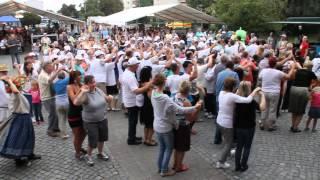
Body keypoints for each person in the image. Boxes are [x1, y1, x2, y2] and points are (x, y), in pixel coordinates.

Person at [151, 74, 201, 177]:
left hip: (156, 124)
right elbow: (180, 109)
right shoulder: (164, 97)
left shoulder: (153, 93)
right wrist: (195, 107)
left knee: (162, 148)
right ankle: (164, 171)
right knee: (168, 149)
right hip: (165, 127)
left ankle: (160, 167)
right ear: (163, 83)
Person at [216, 77, 260, 169]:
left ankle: (228, 153)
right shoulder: (232, 96)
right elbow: (248, 100)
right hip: (226, 123)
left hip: (219, 121)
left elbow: (233, 96)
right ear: (233, 87)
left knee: (227, 140)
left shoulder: (221, 93)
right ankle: (221, 162)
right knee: (229, 143)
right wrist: (255, 91)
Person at [0, 75, 41, 166]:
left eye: (7, 86)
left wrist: (14, 81)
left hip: (25, 118)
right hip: (19, 119)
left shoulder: (19, 93)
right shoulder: (15, 94)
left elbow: (20, 87)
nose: (6, 88)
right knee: (19, 138)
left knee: (29, 137)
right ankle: (18, 159)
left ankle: (29, 154)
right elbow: (15, 90)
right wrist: (10, 81)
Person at [74, 75, 112, 166]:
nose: (94, 84)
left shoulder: (98, 90)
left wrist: (109, 98)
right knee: (93, 140)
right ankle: (89, 155)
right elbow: (76, 102)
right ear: (86, 84)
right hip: (90, 122)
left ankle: (100, 153)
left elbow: (106, 99)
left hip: (102, 118)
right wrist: (82, 92)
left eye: (94, 82)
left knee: (102, 138)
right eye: (91, 83)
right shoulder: (85, 94)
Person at [234, 81, 266, 172]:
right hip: (249, 127)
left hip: (239, 126)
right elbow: (262, 108)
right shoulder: (251, 101)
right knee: (247, 147)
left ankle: (237, 166)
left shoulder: (236, 98)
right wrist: (262, 95)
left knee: (239, 146)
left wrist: (240, 89)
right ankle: (244, 165)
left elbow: (237, 93)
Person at [120, 57, 152, 145]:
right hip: (132, 102)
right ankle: (131, 139)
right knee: (132, 121)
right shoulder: (129, 76)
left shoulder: (127, 72)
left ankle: (132, 136)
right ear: (133, 66)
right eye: (137, 65)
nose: (138, 67)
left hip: (129, 100)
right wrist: (148, 86)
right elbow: (136, 91)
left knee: (133, 121)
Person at [173, 80, 202, 173]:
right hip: (183, 126)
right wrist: (198, 108)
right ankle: (179, 167)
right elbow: (191, 119)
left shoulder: (175, 96)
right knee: (182, 148)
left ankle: (175, 164)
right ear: (188, 91)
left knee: (177, 147)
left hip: (175, 124)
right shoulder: (187, 102)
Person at [258, 57, 294, 131]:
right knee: (272, 109)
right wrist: (292, 68)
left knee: (264, 108)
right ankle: (270, 125)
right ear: (276, 64)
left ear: (269, 63)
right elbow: (288, 77)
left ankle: (262, 123)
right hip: (274, 92)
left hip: (264, 91)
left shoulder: (264, 71)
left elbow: (260, 78)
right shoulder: (278, 72)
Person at [38, 62, 65, 137]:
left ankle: (55, 128)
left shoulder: (46, 73)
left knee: (56, 113)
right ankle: (50, 130)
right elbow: (49, 80)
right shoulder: (42, 75)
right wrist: (57, 71)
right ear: (46, 68)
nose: (52, 69)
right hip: (47, 98)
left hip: (51, 96)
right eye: (50, 67)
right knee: (52, 114)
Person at [289, 61, 317, 132]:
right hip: (303, 90)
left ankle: (292, 126)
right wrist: (311, 86)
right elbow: (316, 80)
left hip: (294, 89)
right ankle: (295, 127)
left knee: (294, 109)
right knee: (300, 110)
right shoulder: (311, 73)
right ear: (310, 67)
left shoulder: (297, 71)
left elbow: (292, 78)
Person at [67, 71, 87, 159]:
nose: (81, 77)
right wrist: (80, 90)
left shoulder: (81, 85)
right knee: (77, 134)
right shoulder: (69, 87)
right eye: (79, 76)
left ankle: (79, 146)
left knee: (84, 132)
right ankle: (77, 152)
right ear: (74, 78)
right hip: (73, 114)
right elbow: (74, 100)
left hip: (83, 112)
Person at [139, 66, 157, 146]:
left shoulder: (141, 83)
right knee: (152, 124)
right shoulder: (149, 85)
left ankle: (146, 138)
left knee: (146, 124)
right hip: (150, 105)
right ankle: (149, 140)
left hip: (144, 105)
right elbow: (150, 96)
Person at [54, 72, 70, 139]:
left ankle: (63, 134)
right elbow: (71, 75)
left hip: (58, 102)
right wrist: (66, 70)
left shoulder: (55, 83)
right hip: (66, 102)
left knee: (61, 119)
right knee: (67, 118)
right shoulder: (65, 82)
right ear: (64, 77)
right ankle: (69, 131)